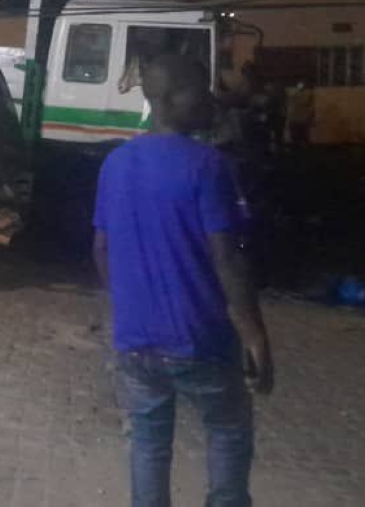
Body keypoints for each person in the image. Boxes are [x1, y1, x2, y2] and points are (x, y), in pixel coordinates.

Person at [92, 55, 274, 507]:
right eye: (200, 89)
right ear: (170, 98)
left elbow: (101, 249)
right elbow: (227, 257)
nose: (210, 98)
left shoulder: (115, 164)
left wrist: (132, 302)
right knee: (227, 432)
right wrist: (255, 336)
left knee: (149, 445)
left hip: (136, 342)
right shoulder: (209, 166)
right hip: (201, 341)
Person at [287, 81, 315, 149]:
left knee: (297, 136)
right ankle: (302, 148)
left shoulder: (293, 94)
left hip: (296, 118)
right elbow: (310, 106)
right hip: (302, 119)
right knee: (303, 135)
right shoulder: (308, 94)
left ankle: (297, 148)